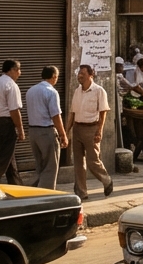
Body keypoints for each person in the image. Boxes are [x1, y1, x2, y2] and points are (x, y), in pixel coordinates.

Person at [68, 64, 114, 198]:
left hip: (91, 128)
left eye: (82, 73)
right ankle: (81, 192)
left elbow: (103, 113)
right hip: (77, 128)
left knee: (93, 161)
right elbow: (72, 113)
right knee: (78, 162)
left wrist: (99, 130)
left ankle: (106, 180)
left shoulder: (99, 91)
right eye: (79, 73)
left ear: (90, 75)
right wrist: (67, 131)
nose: (79, 76)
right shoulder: (77, 91)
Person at [26, 66, 68, 190]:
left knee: (40, 165)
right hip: (46, 131)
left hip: (33, 132)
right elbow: (55, 115)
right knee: (50, 166)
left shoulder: (31, 91)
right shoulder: (51, 92)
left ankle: (36, 190)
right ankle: (46, 195)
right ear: (54, 77)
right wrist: (63, 134)